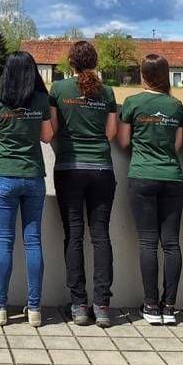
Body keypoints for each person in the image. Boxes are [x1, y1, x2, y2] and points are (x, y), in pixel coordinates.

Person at [49, 40, 118, 328]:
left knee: (73, 236)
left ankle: (78, 305)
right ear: (94, 61)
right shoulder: (107, 91)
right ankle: (102, 305)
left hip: (69, 168)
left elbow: (52, 129)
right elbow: (112, 132)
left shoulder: (59, 90)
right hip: (102, 168)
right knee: (101, 236)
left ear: (70, 63)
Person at [0, 52, 53, 328]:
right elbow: (47, 136)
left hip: (5, 177)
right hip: (33, 176)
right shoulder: (40, 100)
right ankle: (34, 308)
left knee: (4, 241)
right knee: (33, 241)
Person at [119, 54, 183, 326]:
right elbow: (179, 144)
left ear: (142, 76)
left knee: (148, 242)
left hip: (142, 175)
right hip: (172, 177)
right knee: (171, 243)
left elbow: (123, 141)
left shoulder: (133, 103)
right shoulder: (175, 106)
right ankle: (169, 306)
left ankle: (150, 305)